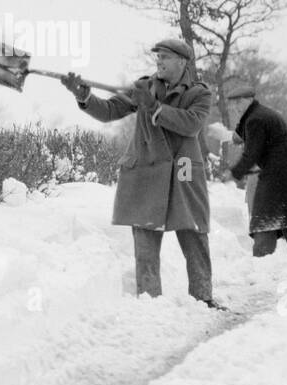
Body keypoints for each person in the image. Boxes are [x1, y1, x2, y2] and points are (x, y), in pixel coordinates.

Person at [60, 39, 218, 307]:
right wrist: (83, 96)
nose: (159, 61)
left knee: (193, 234)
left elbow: (191, 124)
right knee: (145, 238)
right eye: (157, 56)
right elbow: (110, 110)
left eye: (165, 57)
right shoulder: (144, 86)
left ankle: (203, 298)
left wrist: (155, 108)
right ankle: (149, 301)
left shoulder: (199, 93)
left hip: (183, 171)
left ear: (183, 62)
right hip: (147, 170)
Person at [225, 86, 287, 269]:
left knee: (264, 221)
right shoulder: (262, 114)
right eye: (232, 104)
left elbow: (251, 153)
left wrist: (234, 172)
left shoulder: (256, 119)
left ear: (249, 100)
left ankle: (261, 265)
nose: (235, 107)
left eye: (239, 102)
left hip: (279, 178)